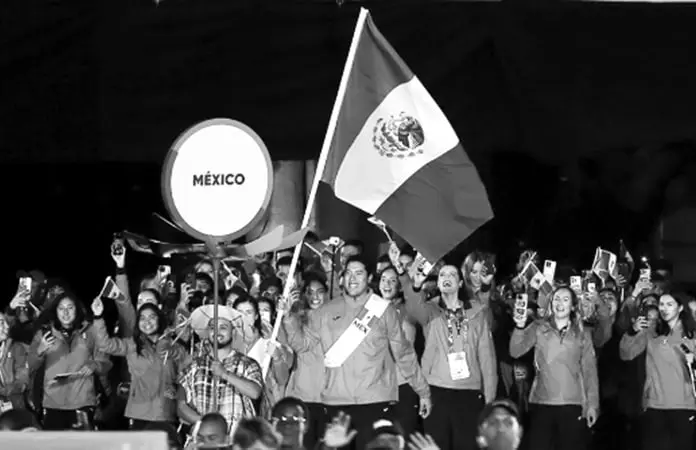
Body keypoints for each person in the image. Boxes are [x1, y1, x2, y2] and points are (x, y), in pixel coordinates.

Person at [283, 255, 431, 450]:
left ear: (369, 278)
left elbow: (403, 354)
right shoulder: (325, 312)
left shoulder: (384, 310)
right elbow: (303, 345)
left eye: (359, 273)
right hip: (336, 404)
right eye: (348, 273)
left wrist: (422, 391)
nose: (352, 278)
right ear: (342, 277)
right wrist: (289, 318)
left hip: (375, 402)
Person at [403, 261, 497, 450]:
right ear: (438, 283)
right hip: (436, 390)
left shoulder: (476, 313)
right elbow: (413, 307)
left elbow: (487, 359)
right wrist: (416, 286)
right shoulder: (430, 310)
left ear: (460, 283)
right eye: (442, 275)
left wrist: (489, 401)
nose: (446, 278)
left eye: (452, 275)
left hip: (469, 393)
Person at [510, 286, 599, 450]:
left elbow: (589, 371)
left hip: (572, 404)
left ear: (573, 306)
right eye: (556, 299)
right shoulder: (538, 327)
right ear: (550, 303)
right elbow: (515, 351)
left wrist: (592, 404)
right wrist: (520, 327)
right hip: (542, 402)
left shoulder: (582, 333)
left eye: (565, 300)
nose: (560, 303)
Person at [619, 290, 696, 449]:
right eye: (661, 304)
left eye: (669, 304)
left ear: (680, 308)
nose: (664, 308)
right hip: (655, 405)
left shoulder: (691, 337)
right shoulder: (652, 334)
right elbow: (626, 353)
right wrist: (632, 331)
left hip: (684, 405)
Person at [178, 305, 263, 442]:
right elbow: (181, 406)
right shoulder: (194, 366)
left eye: (223, 327)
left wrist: (225, 374)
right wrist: (208, 425)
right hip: (202, 442)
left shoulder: (248, 364)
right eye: (213, 327)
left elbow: (255, 392)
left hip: (237, 441)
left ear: (233, 332)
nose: (217, 332)